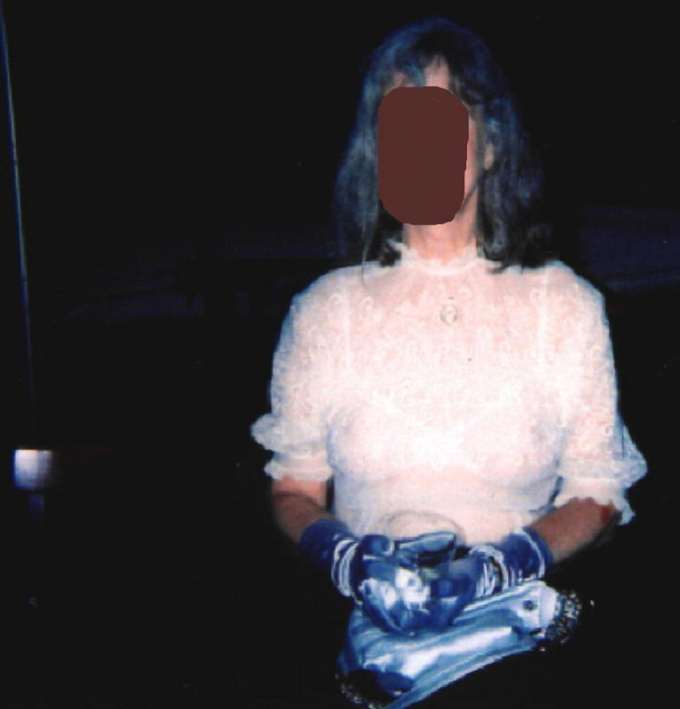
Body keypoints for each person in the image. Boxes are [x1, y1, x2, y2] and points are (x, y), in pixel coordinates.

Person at [251, 16, 646, 707]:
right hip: (375, 652)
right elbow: (294, 489)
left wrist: (501, 565)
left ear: (490, 145)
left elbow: (597, 493)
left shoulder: (564, 306)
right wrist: (347, 559)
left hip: (518, 650)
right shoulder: (324, 311)